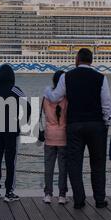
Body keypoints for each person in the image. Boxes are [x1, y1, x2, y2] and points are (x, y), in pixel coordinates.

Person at [44, 48, 111, 209]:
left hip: (74, 125)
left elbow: (55, 97)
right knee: (98, 164)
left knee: (75, 164)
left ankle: (79, 200)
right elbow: (107, 104)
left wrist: (46, 90)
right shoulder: (101, 77)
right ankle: (100, 200)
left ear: (77, 59)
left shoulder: (67, 77)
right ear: (91, 60)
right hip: (96, 125)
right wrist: (106, 123)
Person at [0, 64, 31, 203]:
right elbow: (28, 106)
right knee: (10, 162)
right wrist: (22, 123)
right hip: (11, 130)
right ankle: (9, 193)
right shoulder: (15, 90)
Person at [41, 70, 69, 205]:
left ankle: (47, 194)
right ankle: (62, 195)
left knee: (49, 167)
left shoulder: (45, 97)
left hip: (49, 136)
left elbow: (43, 115)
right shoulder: (67, 98)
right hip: (63, 136)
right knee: (63, 167)